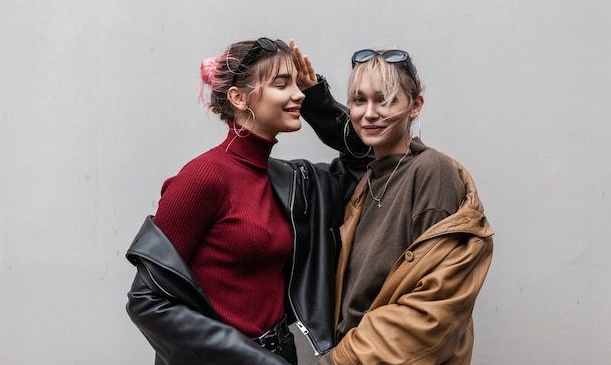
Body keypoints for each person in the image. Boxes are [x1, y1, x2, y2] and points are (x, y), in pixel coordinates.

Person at [125, 38, 371, 365]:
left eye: (298, 86)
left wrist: (318, 101)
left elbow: (367, 158)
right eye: (282, 85)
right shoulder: (202, 177)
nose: (298, 93)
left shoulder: (293, 181)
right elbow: (147, 300)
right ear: (239, 98)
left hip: (281, 354)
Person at [317, 49, 494, 365]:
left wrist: (340, 359)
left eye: (385, 100)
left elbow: (436, 305)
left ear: (416, 106)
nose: (370, 113)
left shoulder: (432, 172)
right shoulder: (366, 183)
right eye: (359, 100)